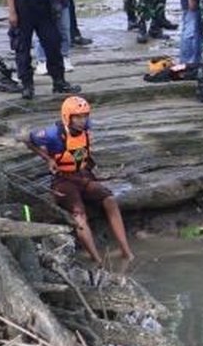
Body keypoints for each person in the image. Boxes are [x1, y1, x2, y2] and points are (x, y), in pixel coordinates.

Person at [22, 96, 134, 264]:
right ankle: (98, 261)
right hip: (63, 180)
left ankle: (127, 252)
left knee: (109, 200)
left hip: (83, 175)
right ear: (68, 116)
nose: (82, 121)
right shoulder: (52, 134)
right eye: (78, 117)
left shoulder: (87, 128)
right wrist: (48, 159)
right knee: (79, 216)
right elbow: (27, 140)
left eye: (85, 116)